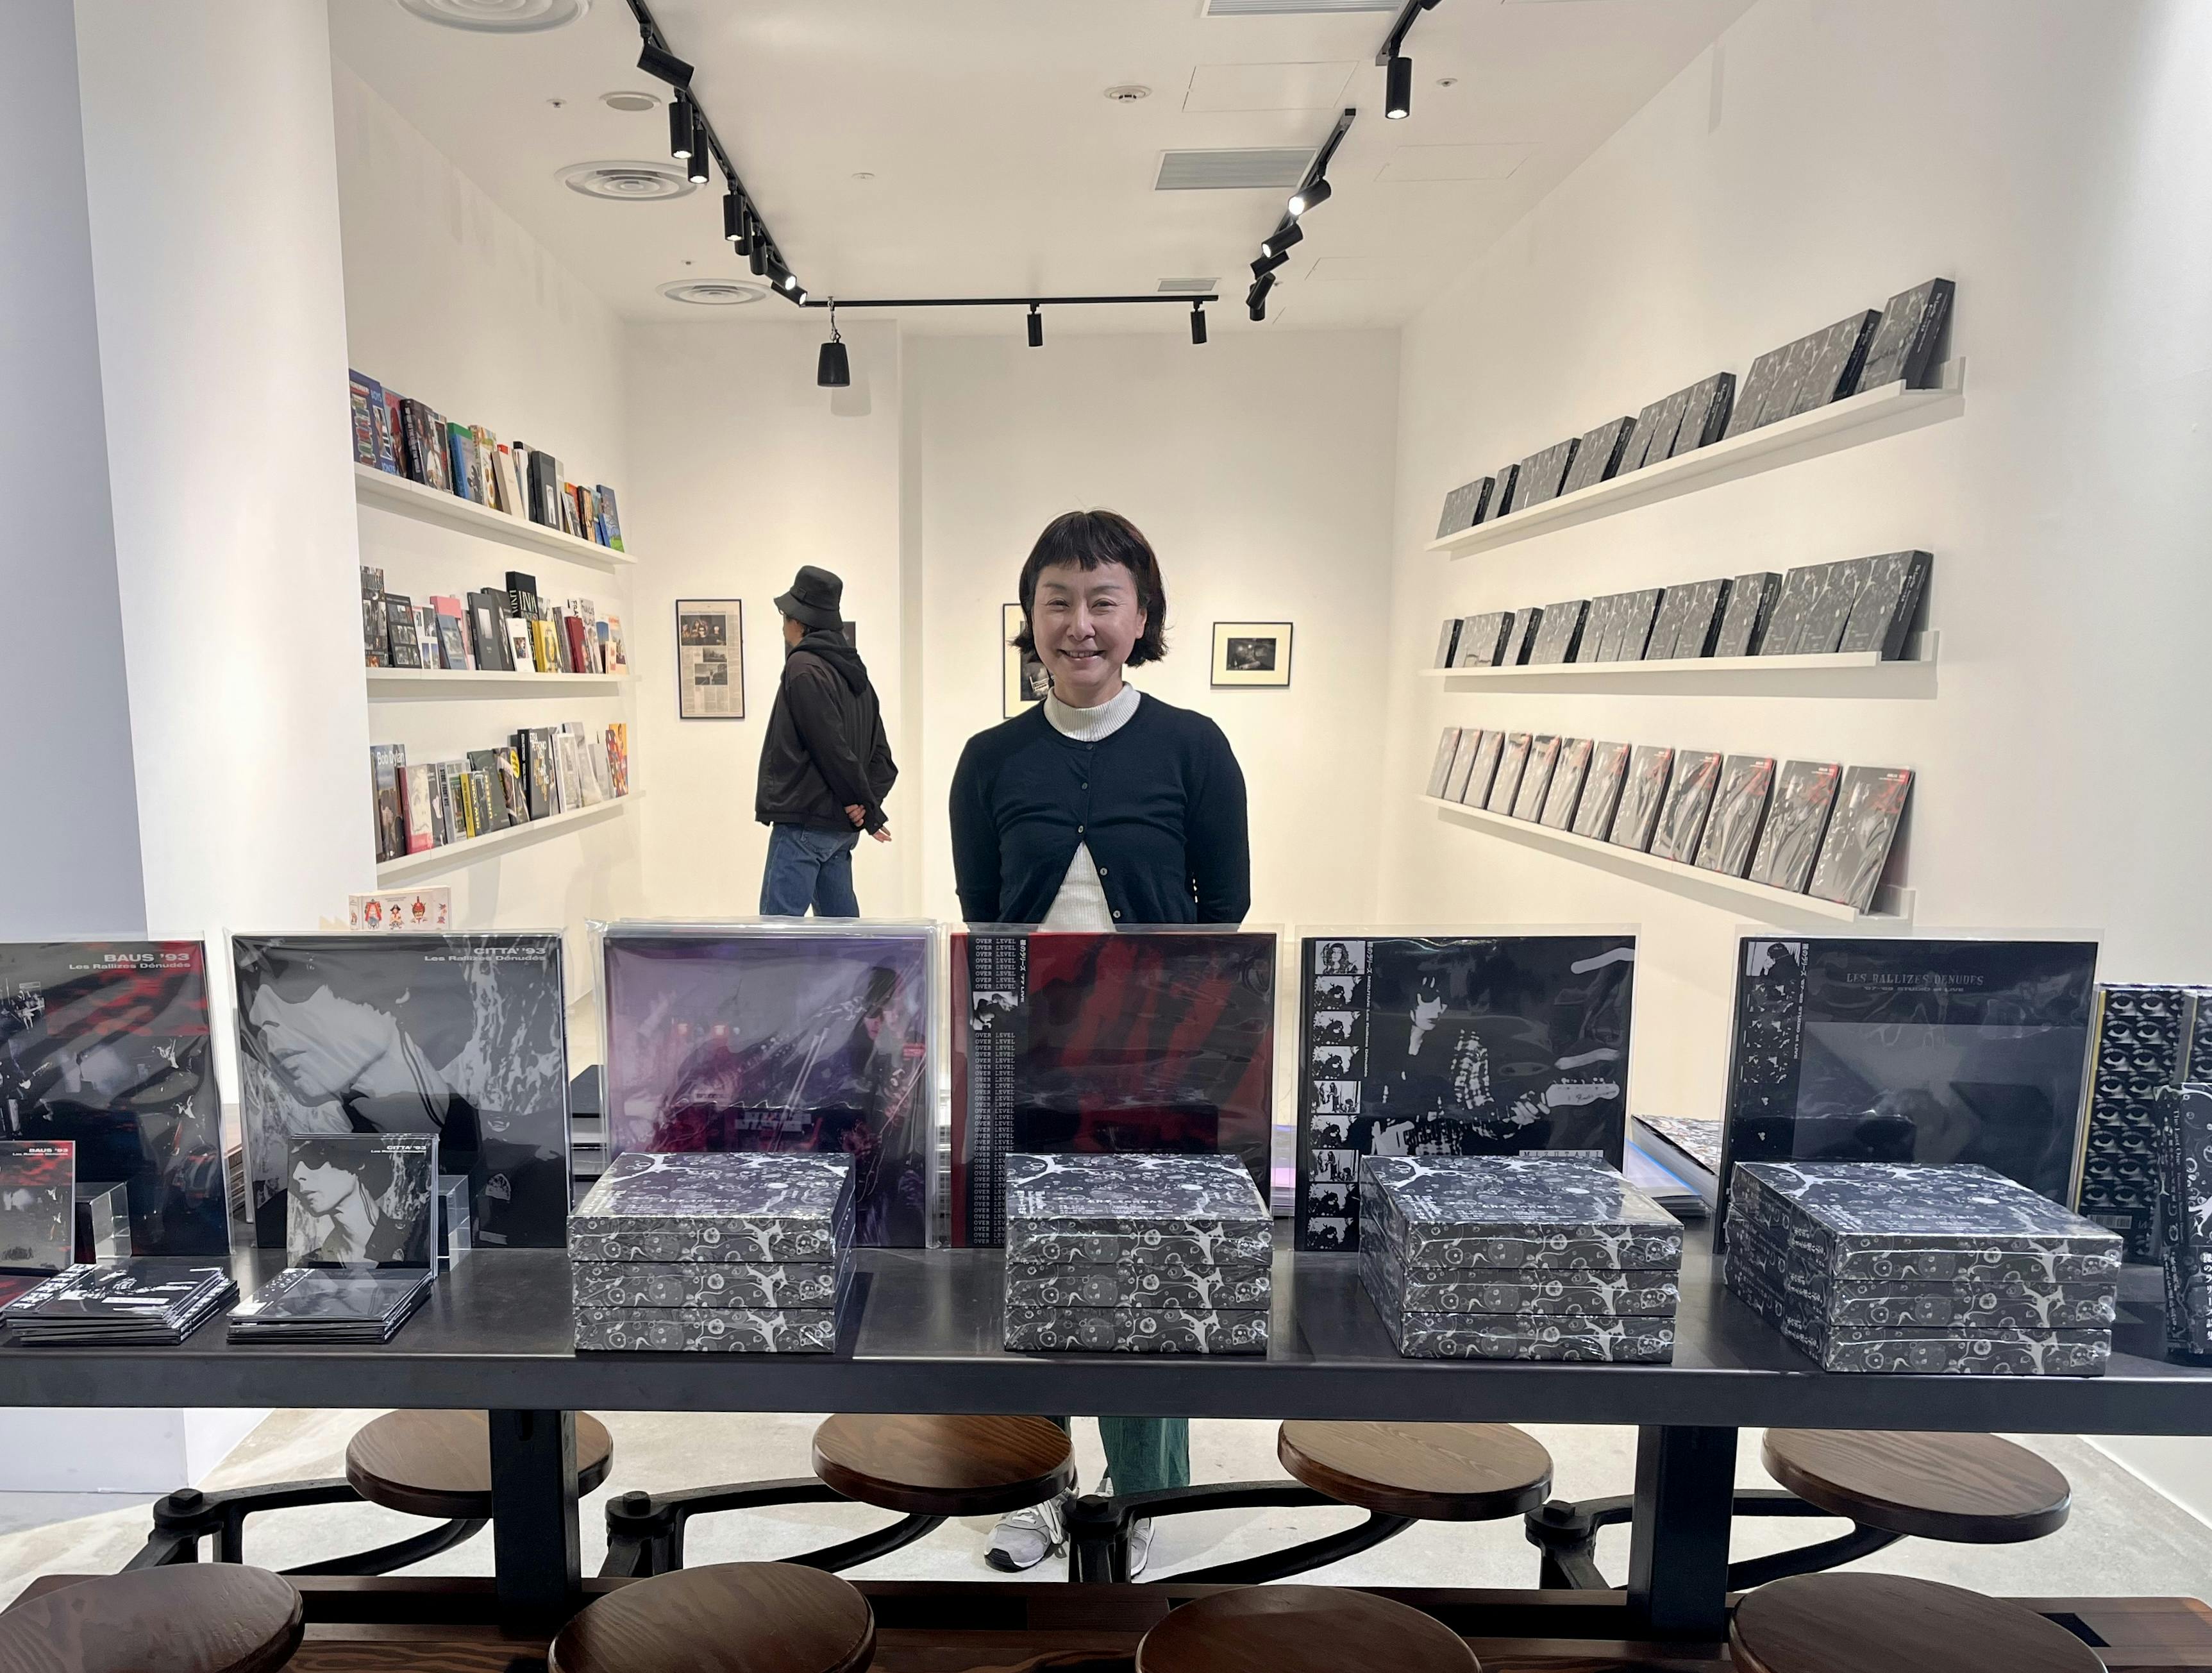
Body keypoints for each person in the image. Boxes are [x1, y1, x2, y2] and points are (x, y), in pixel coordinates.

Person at [950, 509, 1250, 1578]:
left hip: (1159, 1062)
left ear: (1141, 614)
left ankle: (1140, 1492)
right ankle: (1030, 1481)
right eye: (1058, 602)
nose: (1079, 624)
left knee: (1146, 1276)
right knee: (1023, 1271)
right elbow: (984, 911)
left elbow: (1226, 907)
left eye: (1102, 600)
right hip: (1022, 1056)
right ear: (1030, 617)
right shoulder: (989, 759)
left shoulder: (1194, 747)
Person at [755, 565, 896, 918]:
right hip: (840, 830)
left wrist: (863, 807)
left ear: (799, 622)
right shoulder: (855, 675)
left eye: (785, 617)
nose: (783, 626)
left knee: (777, 934)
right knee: (842, 935)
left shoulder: (803, 667)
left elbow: (831, 749)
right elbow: (882, 758)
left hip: (805, 821)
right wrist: (864, 806)